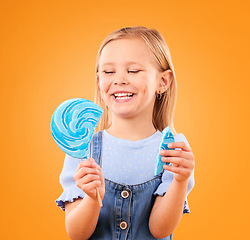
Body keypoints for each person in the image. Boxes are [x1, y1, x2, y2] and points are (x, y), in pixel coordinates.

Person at [55, 26, 195, 240]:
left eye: (133, 70)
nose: (119, 79)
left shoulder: (172, 152)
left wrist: (179, 181)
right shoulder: (83, 148)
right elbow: (77, 233)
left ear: (162, 82)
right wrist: (92, 199)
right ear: (99, 80)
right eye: (108, 72)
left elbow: (160, 230)